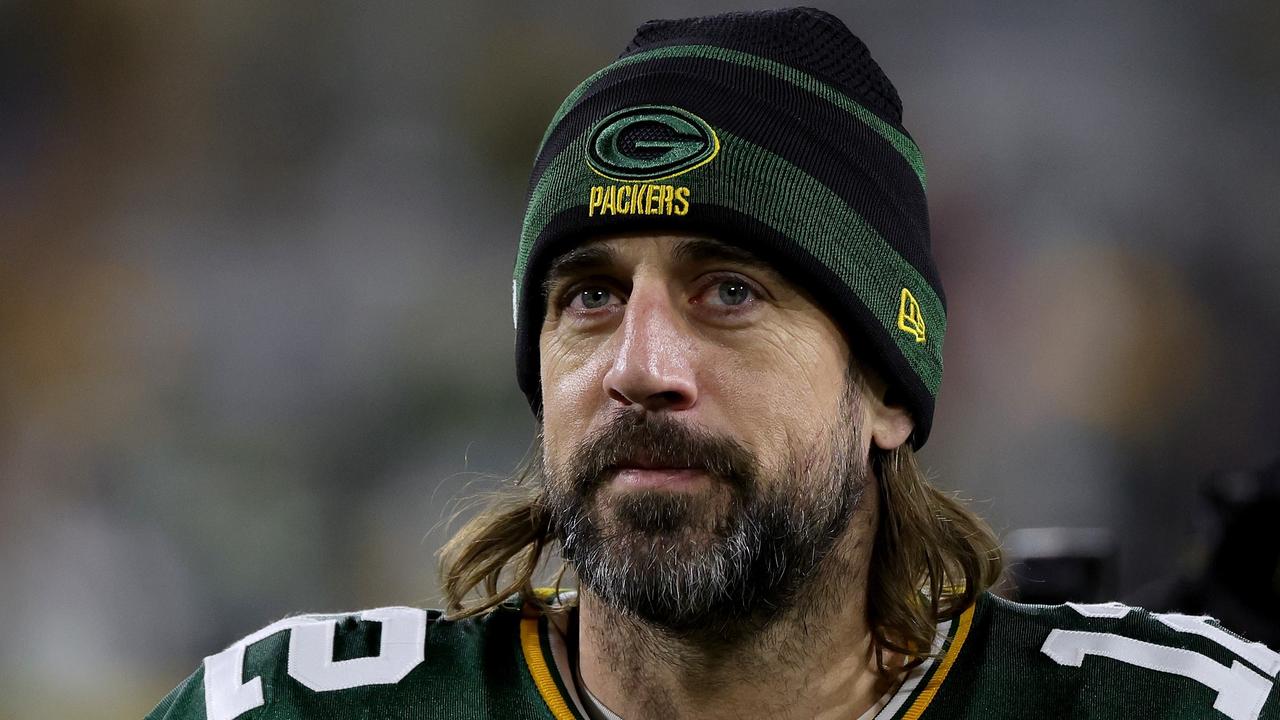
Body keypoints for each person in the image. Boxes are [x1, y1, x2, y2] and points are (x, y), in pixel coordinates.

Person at [146, 8, 1280, 720]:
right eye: (589, 295)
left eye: (728, 291)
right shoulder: (287, 711)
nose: (639, 364)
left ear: (886, 384)